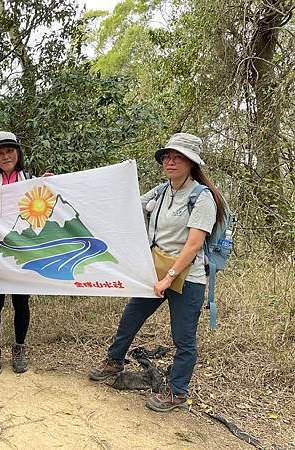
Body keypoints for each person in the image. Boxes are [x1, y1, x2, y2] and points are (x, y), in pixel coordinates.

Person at [89, 132, 226, 412]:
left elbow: (194, 244)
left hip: (187, 277)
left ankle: (177, 392)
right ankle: (114, 362)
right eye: (167, 157)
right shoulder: (162, 191)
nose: (171, 162)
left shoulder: (202, 198)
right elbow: (124, 204)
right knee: (131, 317)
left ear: (191, 163)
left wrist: (168, 277)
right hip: (156, 271)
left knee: (183, 337)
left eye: (178, 158)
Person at [0, 131, 45, 376]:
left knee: (21, 301)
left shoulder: (30, 179)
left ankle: (19, 348)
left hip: (24, 251)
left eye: (10, 151)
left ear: (18, 153)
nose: (5, 156)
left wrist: (51, 186)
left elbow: (45, 209)